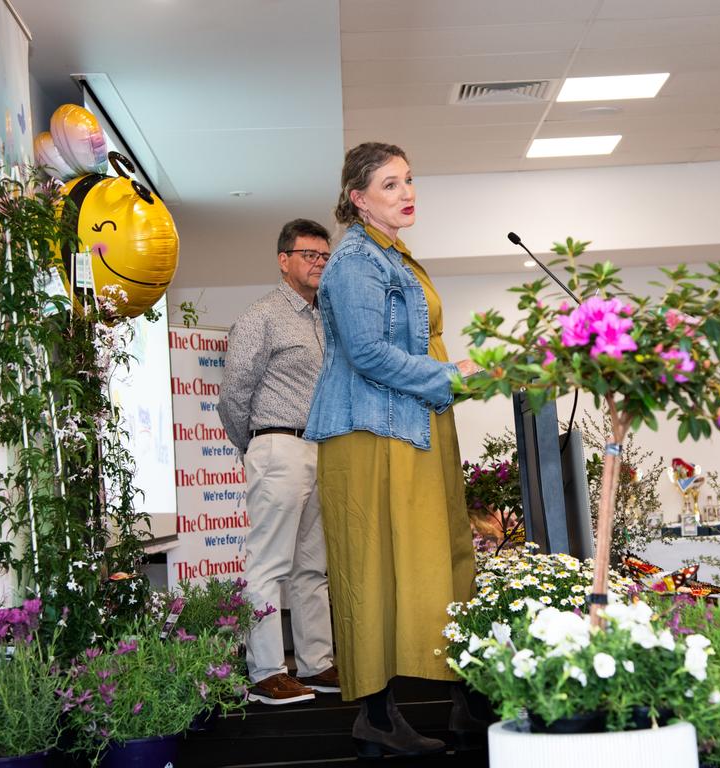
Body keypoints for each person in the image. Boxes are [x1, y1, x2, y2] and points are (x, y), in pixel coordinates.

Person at [304, 143, 479, 757]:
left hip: (412, 424)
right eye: (389, 184)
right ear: (358, 198)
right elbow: (367, 354)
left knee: (441, 559)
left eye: (408, 180)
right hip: (368, 433)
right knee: (372, 570)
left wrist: (454, 372)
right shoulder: (355, 259)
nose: (406, 193)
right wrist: (448, 375)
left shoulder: (393, 252)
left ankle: (466, 698)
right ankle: (377, 717)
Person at [218, 218, 339, 705]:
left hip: (322, 449)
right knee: (268, 564)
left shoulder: (325, 318)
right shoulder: (261, 316)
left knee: (314, 567)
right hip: (277, 445)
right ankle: (267, 671)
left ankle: (315, 664)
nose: (318, 264)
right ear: (283, 260)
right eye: (309, 254)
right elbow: (233, 394)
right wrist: (252, 443)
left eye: (324, 256)